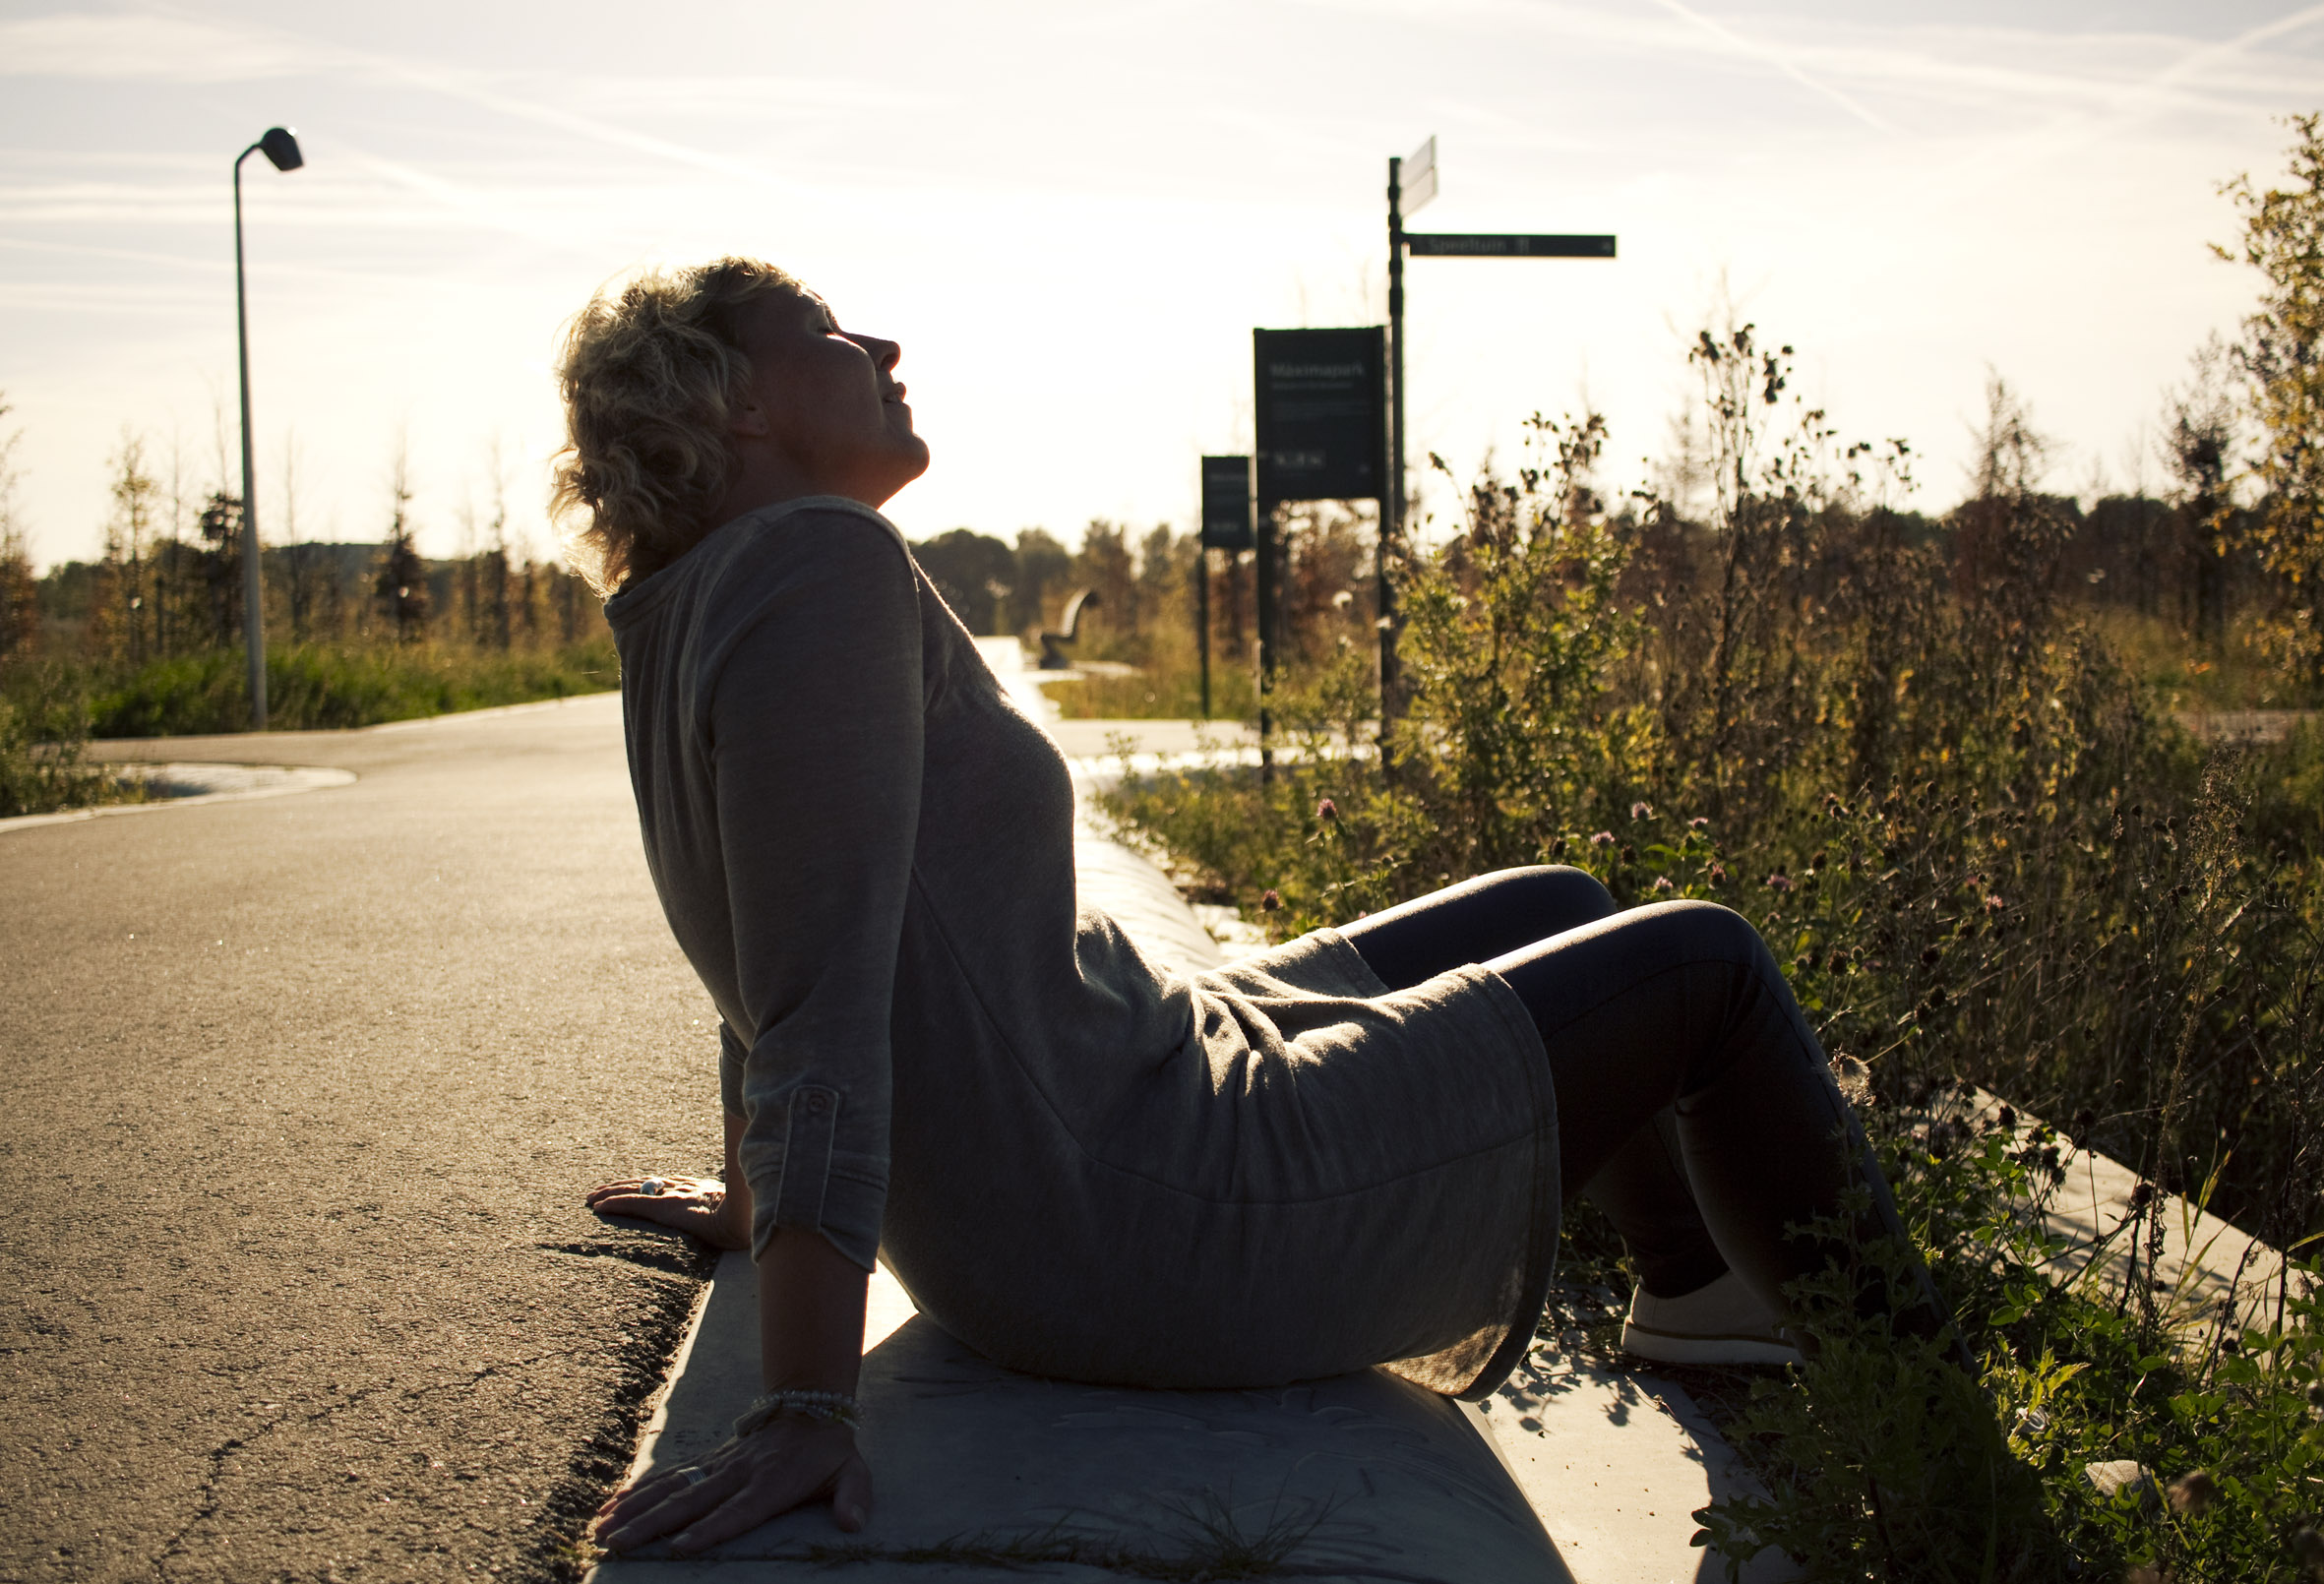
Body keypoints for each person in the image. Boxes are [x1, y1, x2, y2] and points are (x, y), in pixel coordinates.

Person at [564, 258, 1922, 1556]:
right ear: (736, 399)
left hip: (1101, 1121)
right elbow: (813, 993)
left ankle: (1701, 1296)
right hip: (1134, 1211)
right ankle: (1929, 1417)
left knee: (1562, 902)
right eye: (828, 330)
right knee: (1706, 967)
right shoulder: (818, 562)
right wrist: (803, 1401)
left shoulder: (698, 596)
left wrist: (755, 1201)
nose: (882, 350)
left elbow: (765, 935)